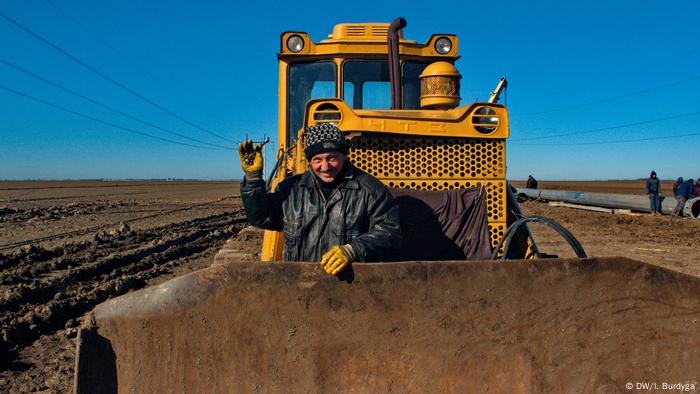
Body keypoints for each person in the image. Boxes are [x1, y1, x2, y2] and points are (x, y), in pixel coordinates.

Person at [238, 123, 402, 276]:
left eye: (332, 158)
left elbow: (390, 231)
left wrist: (354, 250)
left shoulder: (370, 189)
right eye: (317, 160)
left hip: (350, 286)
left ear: (345, 156)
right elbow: (261, 218)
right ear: (309, 161)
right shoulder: (290, 189)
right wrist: (253, 180)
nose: (325, 166)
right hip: (301, 284)